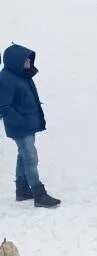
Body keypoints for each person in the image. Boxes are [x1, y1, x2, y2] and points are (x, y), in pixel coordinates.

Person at [0, 44, 59, 207]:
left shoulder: (22, 76)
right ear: (16, 61)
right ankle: (39, 194)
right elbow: (3, 106)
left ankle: (22, 190)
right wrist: (20, 122)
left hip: (27, 124)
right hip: (20, 127)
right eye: (26, 59)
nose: (29, 61)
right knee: (31, 158)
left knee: (24, 155)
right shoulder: (6, 79)